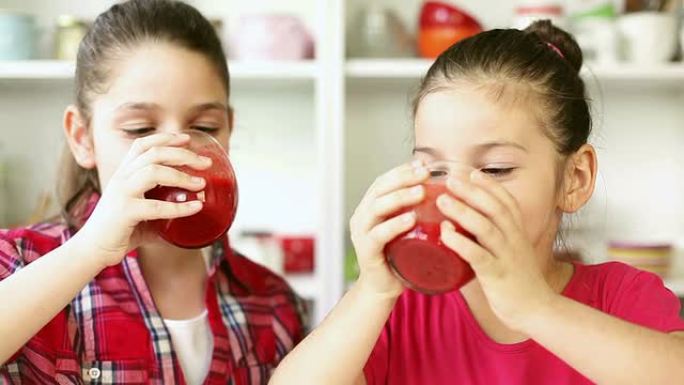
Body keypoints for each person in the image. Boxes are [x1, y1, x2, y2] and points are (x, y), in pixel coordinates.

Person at [269, 21, 684, 385]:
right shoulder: (398, 313)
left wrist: (534, 307)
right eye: (434, 171)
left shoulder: (622, 296)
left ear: (574, 179)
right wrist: (372, 290)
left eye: (495, 169)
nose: (456, 193)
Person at [0, 1, 305, 384]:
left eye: (206, 127)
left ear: (230, 129)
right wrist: (89, 250)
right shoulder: (16, 267)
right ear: (82, 137)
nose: (175, 152)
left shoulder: (273, 303)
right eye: (141, 129)